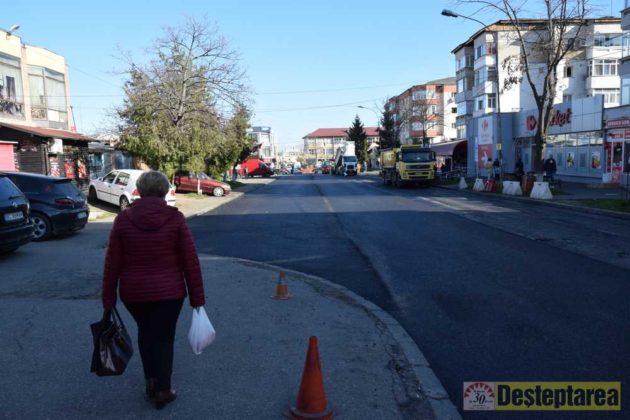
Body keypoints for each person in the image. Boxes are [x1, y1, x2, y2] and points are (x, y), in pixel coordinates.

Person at [101, 170, 206, 410]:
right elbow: (190, 261)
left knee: (146, 333)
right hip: (170, 294)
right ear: (165, 191)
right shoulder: (175, 218)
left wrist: (108, 298)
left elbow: (112, 262)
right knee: (163, 338)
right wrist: (197, 299)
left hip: (134, 294)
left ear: (139, 190)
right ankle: (163, 390)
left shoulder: (123, 219)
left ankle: (151, 382)